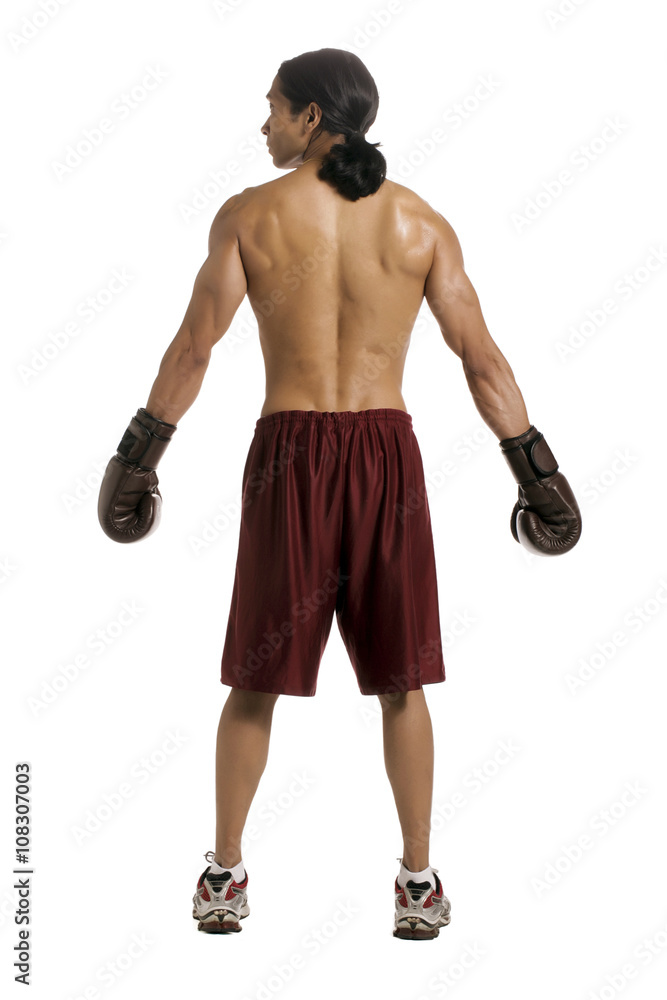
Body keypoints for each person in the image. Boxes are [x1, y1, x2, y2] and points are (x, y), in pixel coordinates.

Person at [97, 47, 581, 940]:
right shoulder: (419, 222)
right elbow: (481, 359)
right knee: (401, 682)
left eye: (274, 107)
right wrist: (535, 474)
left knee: (257, 679)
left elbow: (194, 349)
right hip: (385, 457)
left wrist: (139, 457)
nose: (264, 124)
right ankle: (417, 883)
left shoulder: (251, 215)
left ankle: (223, 876)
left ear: (312, 117)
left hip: (289, 457)